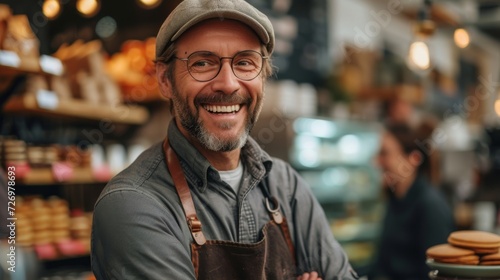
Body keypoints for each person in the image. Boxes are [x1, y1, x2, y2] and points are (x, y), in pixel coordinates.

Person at [91, 0, 358, 279]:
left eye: (245, 62)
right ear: (165, 79)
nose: (228, 84)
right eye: (203, 63)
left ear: (263, 76)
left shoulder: (286, 186)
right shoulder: (134, 204)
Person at [369, 121, 455, 280]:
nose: (376, 162)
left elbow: (434, 273)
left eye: (385, 153)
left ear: (413, 159)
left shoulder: (430, 205)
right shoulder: (395, 198)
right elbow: (383, 261)